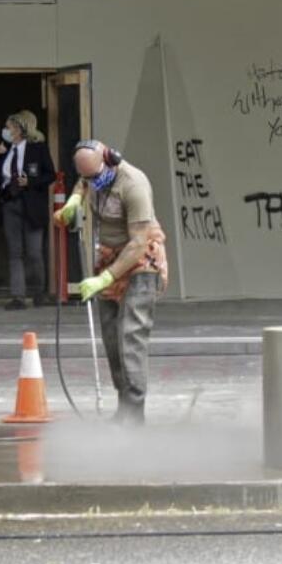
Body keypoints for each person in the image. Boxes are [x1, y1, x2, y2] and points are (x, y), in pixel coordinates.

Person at [54, 140, 168, 425]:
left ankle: (135, 414)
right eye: (88, 177)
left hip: (141, 260)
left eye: (95, 176)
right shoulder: (91, 176)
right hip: (109, 256)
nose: (92, 181)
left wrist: (105, 277)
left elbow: (138, 242)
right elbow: (83, 182)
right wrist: (74, 201)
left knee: (130, 335)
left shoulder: (134, 185)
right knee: (111, 337)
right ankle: (123, 407)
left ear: (110, 159)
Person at [0, 110, 55, 310]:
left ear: (20, 129)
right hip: (10, 204)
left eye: (8, 127)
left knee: (34, 252)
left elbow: (50, 175)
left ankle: (39, 292)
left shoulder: (38, 149)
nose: (5, 131)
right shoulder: (4, 150)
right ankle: (18, 296)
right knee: (15, 252)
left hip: (31, 205)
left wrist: (30, 181)